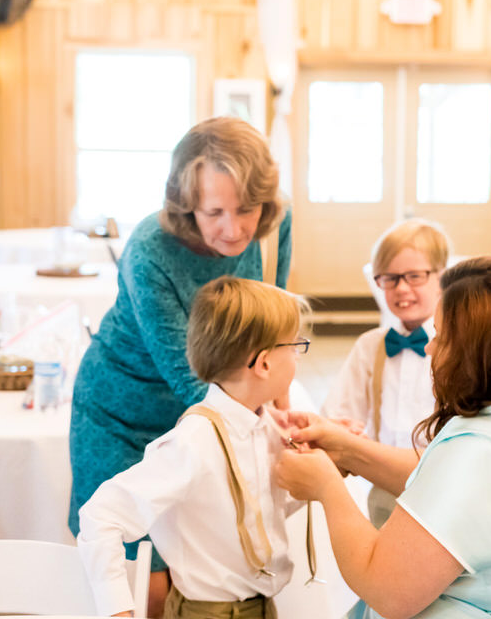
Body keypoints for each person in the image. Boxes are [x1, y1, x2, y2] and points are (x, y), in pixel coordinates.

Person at [276, 255, 491, 619]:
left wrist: (327, 489)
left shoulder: (484, 451)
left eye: (441, 337)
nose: (429, 349)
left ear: (483, 356)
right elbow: (448, 487)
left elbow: (387, 591)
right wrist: (350, 451)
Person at [69, 117, 291, 614]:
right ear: (187, 203)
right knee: (143, 581)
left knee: (207, 568)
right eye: (214, 212)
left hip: (221, 408)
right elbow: (186, 374)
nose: (233, 229)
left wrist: (281, 413)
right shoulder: (150, 249)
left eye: (246, 210)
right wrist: (263, 428)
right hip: (123, 414)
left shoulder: (277, 227)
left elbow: (270, 325)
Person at [77, 276, 310, 619]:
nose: (297, 356)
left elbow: (252, 509)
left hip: (260, 608)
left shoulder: (266, 425)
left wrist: (322, 472)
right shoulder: (192, 444)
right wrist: (118, 611)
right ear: (264, 363)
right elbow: (101, 516)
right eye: (294, 347)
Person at [321, 218, 449, 527]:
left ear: (442, 276)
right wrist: (343, 432)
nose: (401, 288)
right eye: (389, 278)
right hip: (384, 489)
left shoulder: (458, 345)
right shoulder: (370, 346)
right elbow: (338, 412)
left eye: (414, 276)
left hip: (445, 487)